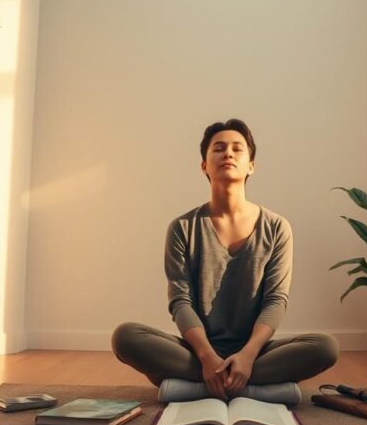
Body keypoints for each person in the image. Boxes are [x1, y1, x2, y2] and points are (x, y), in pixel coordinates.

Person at [112, 119, 338, 400]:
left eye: (237, 149)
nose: (228, 154)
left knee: (325, 347)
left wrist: (248, 355)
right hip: (196, 351)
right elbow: (180, 301)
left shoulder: (277, 227)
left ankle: (195, 386)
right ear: (204, 165)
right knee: (125, 337)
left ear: (251, 165)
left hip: (256, 351)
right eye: (218, 148)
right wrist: (207, 356)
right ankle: (251, 387)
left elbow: (275, 300)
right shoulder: (183, 227)